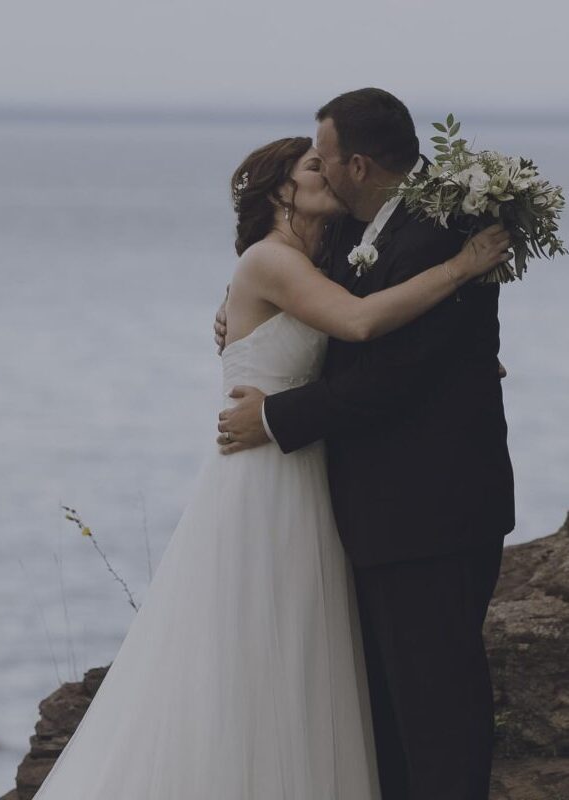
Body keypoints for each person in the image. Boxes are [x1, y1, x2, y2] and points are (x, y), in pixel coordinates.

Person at [29, 130, 510, 800]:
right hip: (261, 475)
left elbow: (373, 350)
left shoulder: (331, 257)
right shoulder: (272, 262)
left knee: (309, 649)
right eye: (313, 167)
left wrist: (458, 363)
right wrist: (462, 265)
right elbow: (363, 324)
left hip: (310, 474)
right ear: (279, 189)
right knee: (256, 641)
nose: (331, 176)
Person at [214, 89, 515, 800]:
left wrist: (277, 417)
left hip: (429, 511)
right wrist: (240, 320)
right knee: (385, 708)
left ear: (354, 163)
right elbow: (318, 303)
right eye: (304, 168)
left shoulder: (441, 232)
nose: (315, 169)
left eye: (320, 160)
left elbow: (392, 375)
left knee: (437, 709)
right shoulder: (358, 232)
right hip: (369, 510)